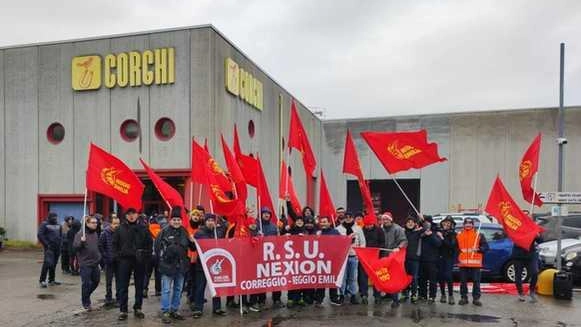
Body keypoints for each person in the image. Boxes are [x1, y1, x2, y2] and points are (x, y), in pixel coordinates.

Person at [156, 207, 195, 323]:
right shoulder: (164, 231)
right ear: (170, 220)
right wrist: (162, 261)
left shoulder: (184, 231)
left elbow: (192, 248)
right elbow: (157, 248)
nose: (177, 222)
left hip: (181, 266)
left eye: (178, 220)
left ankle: (174, 310)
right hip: (167, 266)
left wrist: (193, 242)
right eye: (174, 220)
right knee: (166, 289)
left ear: (181, 221)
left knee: (178, 289)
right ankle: (165, 311)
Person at [113, 208, 152, 321]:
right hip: (124, 260)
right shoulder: (120, 229)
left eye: (133, 214)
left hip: (139, 260)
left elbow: (149, 244)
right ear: (125, 216)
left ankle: (138, 308)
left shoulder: (143, 228)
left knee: (139, 285)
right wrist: (118, 257)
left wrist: (145, 256)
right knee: (123, 286)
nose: (131, 216)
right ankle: (123, 310)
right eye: (129, 214)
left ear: (137, 215)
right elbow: (114, 244)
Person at [193, 213, 227, 318]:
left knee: (216, 287)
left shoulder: (218, 232)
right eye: (209, 220)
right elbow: (194, 247)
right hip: (202, 265)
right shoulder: (199, 233)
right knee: (200, 287)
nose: (210, 222)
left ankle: (217, 308)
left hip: (214, 265)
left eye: (212, 220)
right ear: (205, 221)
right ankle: (198, 309)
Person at [249, 207, 283, 311]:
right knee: (260, 280)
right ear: (261, 214)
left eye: (268, 214)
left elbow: (278, 241)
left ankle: (277, 299)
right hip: (258, 257)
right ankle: (261, 299)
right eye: (264, 213)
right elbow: (249, 236)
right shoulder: (256, 225)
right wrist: (256, 235)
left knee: (275, 278)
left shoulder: (274, 226)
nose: (266, 215)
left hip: (272, 257)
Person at [456, 217, 489, 306]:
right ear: (463, 225)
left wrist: (478, 249)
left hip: (475, 263)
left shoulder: (479, 234)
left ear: (473, 225)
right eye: (466, 223)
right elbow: (456, 248)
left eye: (470, 223)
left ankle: (476, 299)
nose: (468, 224)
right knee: (463, 281)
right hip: (463, 263)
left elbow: (486, 247)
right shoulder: (459, 234)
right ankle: (463, 297)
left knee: (476, 281)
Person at [336, 211, 366, 305]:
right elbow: (335, 243)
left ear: (352, 218)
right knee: (342, 277)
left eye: (350, 217)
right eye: (346, 217)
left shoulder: (358, 229)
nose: (348, 218)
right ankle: (341, 295)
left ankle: (353, 295)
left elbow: (363, 242)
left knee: (353, 277)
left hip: (354, 256)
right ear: (344, 218)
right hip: (342, 258)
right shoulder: (338, 229)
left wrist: (359, 254)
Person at [73, 216, 102, 311]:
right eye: (93, 222)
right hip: (85, 263)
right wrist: (81, 241)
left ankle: (85, 295)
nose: (95, 224)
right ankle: (86, 303)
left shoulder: (95, 234)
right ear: (87, 224)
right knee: (86, 283)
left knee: (96, 281)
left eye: (96, 223)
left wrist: (99, 257)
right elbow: (75, 248)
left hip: (95, 263)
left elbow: (96, 247)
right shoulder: (80, 234)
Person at [380, 212, 407, 308]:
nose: (385, 221)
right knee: (386, 277)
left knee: (393, 278)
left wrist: (399, 248)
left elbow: (404, 240)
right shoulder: (381, 229)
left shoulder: (398, 229)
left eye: (386, 219)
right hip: (384, 257)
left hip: (394, 257)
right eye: (383, 219)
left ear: (390, 220)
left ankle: (395, 300)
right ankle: (388, 294)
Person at [315, 216, 341, 306]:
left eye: (325, 222)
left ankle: (333, 298)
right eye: (321, 222)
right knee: (321, 280)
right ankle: (319, 299)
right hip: (321, 260)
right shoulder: (318, 233)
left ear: (329, 223)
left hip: (333, 259)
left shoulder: (335, 232)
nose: (323, 223)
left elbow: (342, 242)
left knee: (332, 280)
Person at [359, 214, 385, 304]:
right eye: (367, 225)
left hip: (376, 257)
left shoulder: (379, 230)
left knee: (376, 277)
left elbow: (382, 243)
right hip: (364, 257)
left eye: (370, 225)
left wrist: (378, 252)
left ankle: (377, 296)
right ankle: (364, 295)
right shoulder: (361, 230)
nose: (368, 227)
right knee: (363, 277)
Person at [418, 216, 442, 304]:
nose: (426, 224)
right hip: (421, 259)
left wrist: (431, 234)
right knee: (422, 279)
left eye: (427, 222)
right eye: (424, 222)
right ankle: (422, 295)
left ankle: (432, 296)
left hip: (432, 261)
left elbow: (438, 244)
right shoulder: (420, 232)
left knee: (432, 280)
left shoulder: (435, 232)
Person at [513, 233, 542, 303]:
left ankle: (532, 291)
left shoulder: (531, 227)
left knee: (535, 272)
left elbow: (540, 241)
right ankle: (521, 293)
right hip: (518, 255)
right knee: (518, 275)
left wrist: (538, 236)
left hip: (531, 254)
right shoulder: (517, 227)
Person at [99, 215, 120, 308]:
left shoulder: (120, 232)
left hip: (119, 260)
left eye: (118, 223)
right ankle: (108, 297)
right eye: (115, 223)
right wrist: (105, 257)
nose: (117, 225)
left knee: (119, 281)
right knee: (109, 281)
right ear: (110, 224)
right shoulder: (104, 233)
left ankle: (119, 298)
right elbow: (100, 246)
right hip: (109, 260)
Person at [186, 208, 204, 311]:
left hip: (198, 256)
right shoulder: (187, 227)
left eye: (197, 215)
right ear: (191, 216)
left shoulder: (201, 228)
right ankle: (190, 296)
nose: (196, 217)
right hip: (189, 255)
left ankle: (195, 298)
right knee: (190, 278)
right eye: (194, 215)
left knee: (197, 279)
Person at [37, 212, 62, 288]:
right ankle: (42, 281)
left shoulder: (58, 225)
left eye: (56, 217)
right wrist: (46, 244)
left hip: (57, 248)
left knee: (54, 264)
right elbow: (40, 235)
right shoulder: (44, 224)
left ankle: (51, 280)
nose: (55, 218)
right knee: (47, 263)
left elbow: (60, 235)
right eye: (53, 217)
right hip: (49, 248)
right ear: (49, 217)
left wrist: (60, 243)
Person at [403, 216, 423, 304]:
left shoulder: (418, 232)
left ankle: (414, 295)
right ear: (406, 224)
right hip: (404, 259)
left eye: (412, 222)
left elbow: (427, 227)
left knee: (414, 278)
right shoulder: (403, 232)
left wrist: (423, 219)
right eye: (408, 222)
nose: (410, 223)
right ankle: (405, 294)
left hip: (415, 259)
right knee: (405, 277)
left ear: (415, 223)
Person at [438, 216, 457, 305]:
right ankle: (443, 295)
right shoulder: (439, 232)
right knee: (441, 276)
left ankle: (450, 295)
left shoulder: (453, 234)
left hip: (449, 258)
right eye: (445, 222)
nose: (446, 224)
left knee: (448, 276)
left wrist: (442, 238)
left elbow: (451, 245)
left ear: (451, 225)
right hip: (440, 258)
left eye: (449, 223)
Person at [144, 216, 163, 298]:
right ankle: (158, 290)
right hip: (158, 256)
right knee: (158, 274)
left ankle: (144, 289)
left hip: (149, 255)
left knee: (146, 274)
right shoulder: (161, 232)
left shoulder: (147, 230)